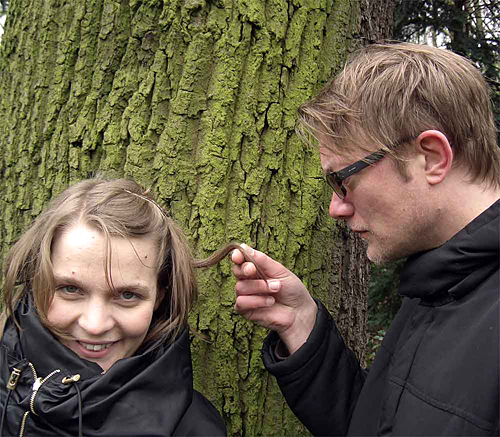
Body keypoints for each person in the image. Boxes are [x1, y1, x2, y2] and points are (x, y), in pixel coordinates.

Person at [231, 42, 500, 436]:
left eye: (343, 180)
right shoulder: (440, 285)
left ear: (432, 157)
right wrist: (301, 325)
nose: (335, 208)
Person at [0, 177, 226, 436]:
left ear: (160, 296)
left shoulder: (190, 428)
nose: (95, 326)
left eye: (127, 295)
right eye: (70, 289)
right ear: (36, 280)